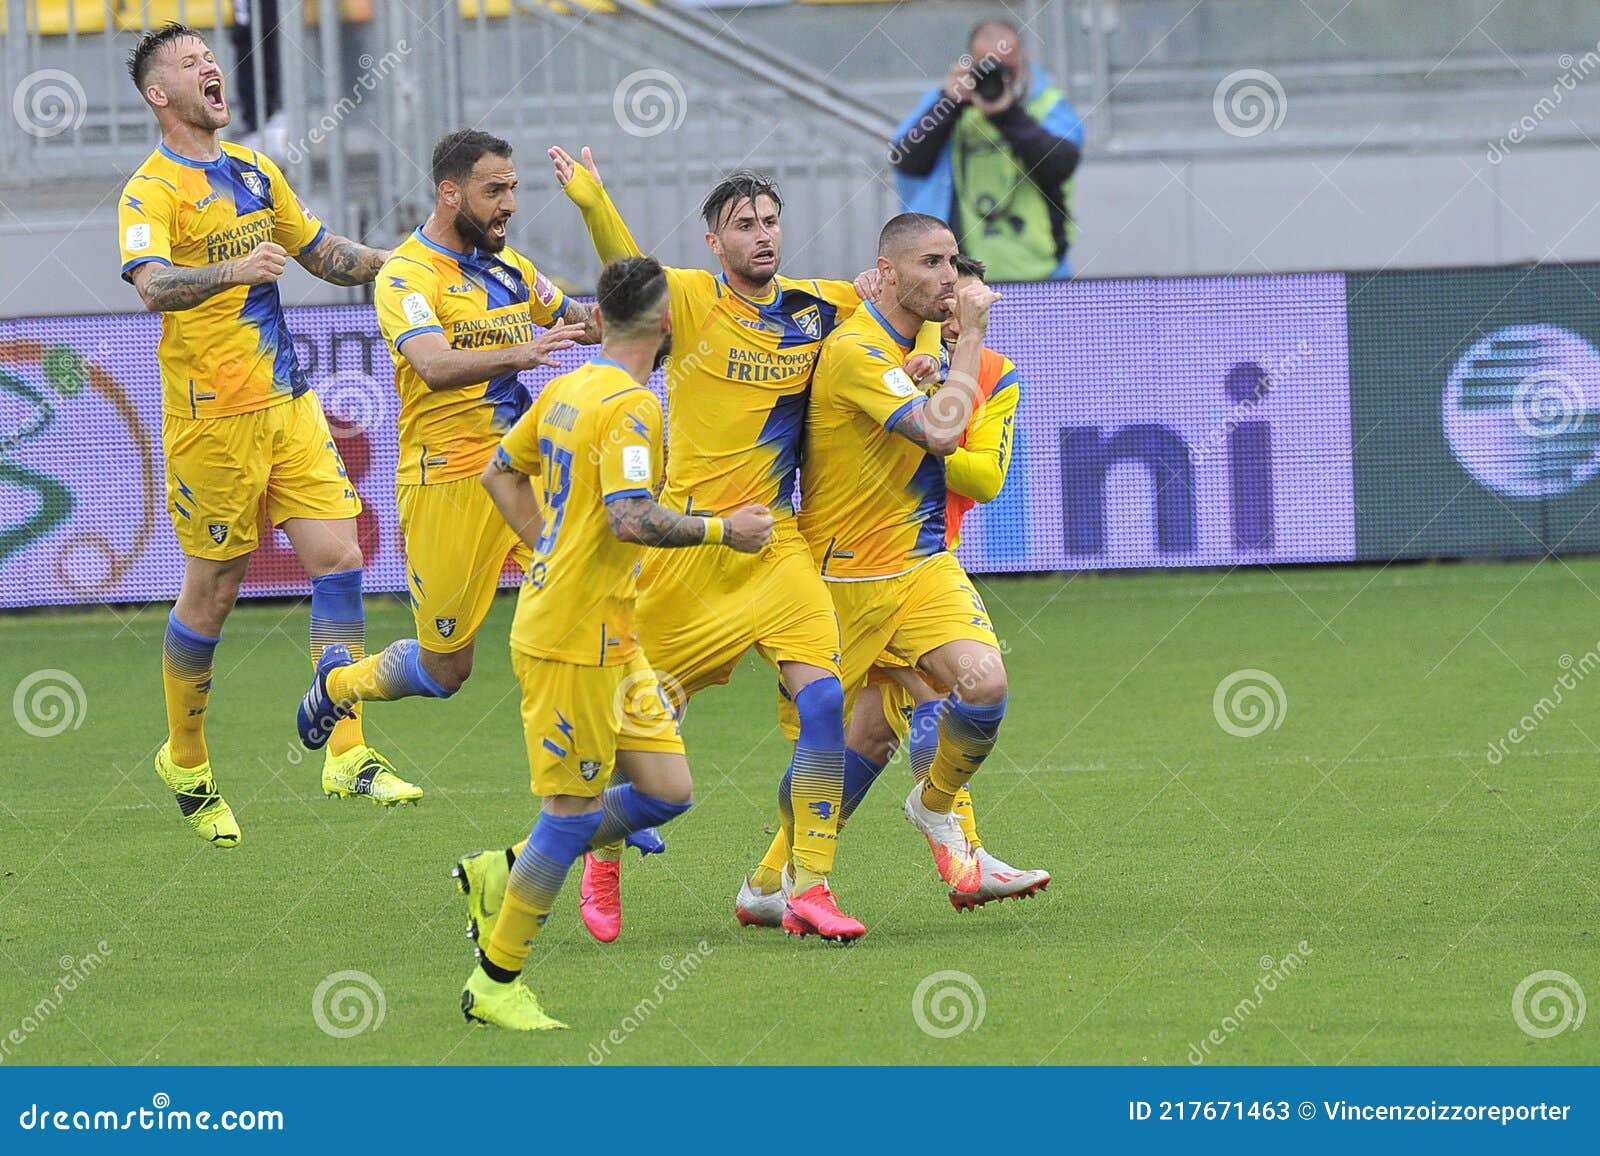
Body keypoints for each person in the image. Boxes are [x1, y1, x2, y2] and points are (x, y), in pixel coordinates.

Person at [454, 146, 940, 947]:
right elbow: (627, 271)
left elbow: (879, 337)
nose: (761, 235)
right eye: (742, 225)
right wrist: (592, 203)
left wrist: (914, 358)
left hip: (772, 542)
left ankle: (809, 884)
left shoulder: (820, 308)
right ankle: (600, 860)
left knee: (824, 699)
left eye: (770, 221)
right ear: (714, 244)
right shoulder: (689, 296)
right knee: (634, 739)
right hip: (684, 551)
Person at [460, 256, 772, 1030]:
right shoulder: (631, 407)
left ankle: (503, 867)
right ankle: (495, 981)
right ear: (666, 324)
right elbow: (632, 516)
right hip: (571, 640)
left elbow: (501, 470)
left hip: (609, 630)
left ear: (601, 315)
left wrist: (545, 549)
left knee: (668, 792)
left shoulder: (569, 386)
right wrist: (722, 531)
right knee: (570, 813)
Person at [117, 22, 409, 847]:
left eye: (210, 54)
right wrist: (231, 272)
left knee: (341, 560)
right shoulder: (150, 191)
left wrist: (418, 263)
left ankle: (347, 751)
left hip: (287, 402)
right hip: (211, 421)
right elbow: (153, 286)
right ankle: (187, 757)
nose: (209, 64)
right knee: (214, 591)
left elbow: (324, 253)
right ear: (158, 94)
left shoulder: (253, 169)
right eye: (187, 61)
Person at [737, 253, 1046, 924]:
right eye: (949, 301)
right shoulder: (873, 350)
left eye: (967, 303)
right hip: (835, 578)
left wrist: (939, 393)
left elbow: (986, 479)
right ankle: (771, 882)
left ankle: (954, 843)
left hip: (924, 561)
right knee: (850, 742)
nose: (958, 317)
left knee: (961, 689)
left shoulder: (992, 374)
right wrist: (917, 397)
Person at [890, 17, 1083, 282]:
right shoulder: (946, 103)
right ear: (970, 62)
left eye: (1006, 67)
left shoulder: (1047, 105)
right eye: (986, 67)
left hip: (1041, 274)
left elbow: (1060, 164)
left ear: (1023, 58)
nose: (997, 77)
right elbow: (906, 161)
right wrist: (949, 104)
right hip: (957, 278)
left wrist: (1007, 114)